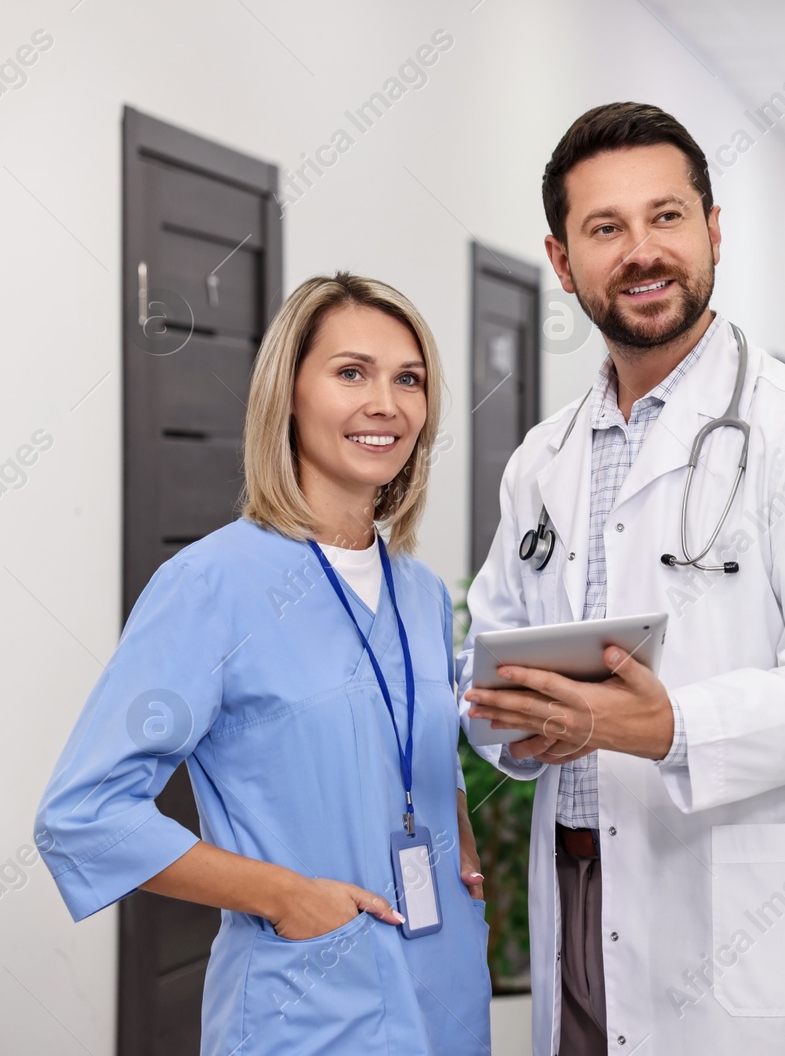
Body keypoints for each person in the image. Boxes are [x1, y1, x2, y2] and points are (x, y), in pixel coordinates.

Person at [459, 102, 785, 1056]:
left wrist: (666, 726)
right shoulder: (542, 458)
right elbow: (487, 655)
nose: (642, 251)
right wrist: (515, 722)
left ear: (712, 230)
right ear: (561, 259)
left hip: (736, 902)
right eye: (605, 228)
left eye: (666, 217)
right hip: (580, 888)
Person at [35, 273, 493, 1055]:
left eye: (408, 379)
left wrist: (453, 823)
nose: (386, 402)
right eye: (351, 372)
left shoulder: (416, 589)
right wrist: (285, 896)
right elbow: (84, 813)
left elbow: (397, 743)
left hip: (443, 989)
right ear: (288, 395)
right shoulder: (212, 586)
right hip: (309, 1004)